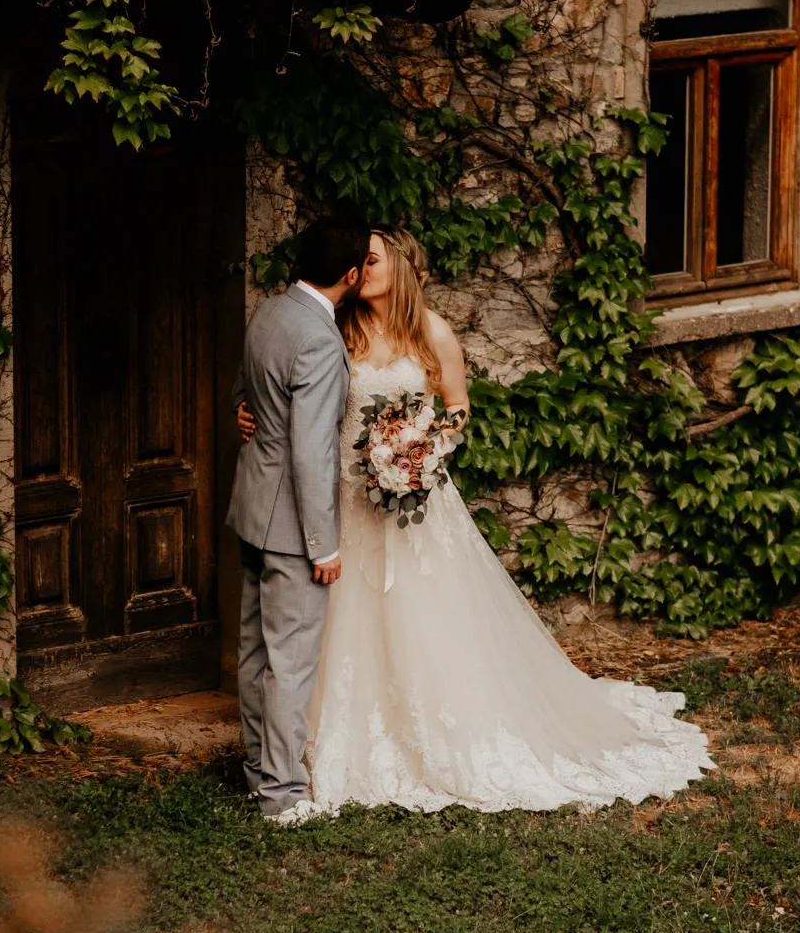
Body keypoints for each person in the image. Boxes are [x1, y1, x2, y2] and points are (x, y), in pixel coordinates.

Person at [240, 228, 712, 814]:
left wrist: (423, 446)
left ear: (403, 267)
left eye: (372, 260)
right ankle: (306, 746)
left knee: (427, 620)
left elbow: (457, 407)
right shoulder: (337, 329)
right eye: (358, 262)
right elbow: (295, 395)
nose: (360, 270)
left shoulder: (432, 332)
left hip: (414, 500)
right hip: (344, 501)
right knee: (328, 624)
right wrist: (251, 414)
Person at [225, 215, 369, 824]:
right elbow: (313, 451)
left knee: (256, 651)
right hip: (289, 527)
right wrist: (324, 546)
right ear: (353, 275)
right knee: (290, 660)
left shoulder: (270, 313)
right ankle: (282, 795)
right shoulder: (317, 337)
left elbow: (245, 392)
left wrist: (243, 413)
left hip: (251, 508)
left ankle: (258, 768)